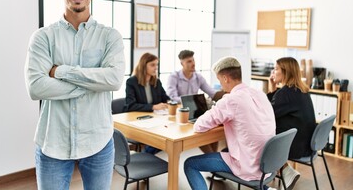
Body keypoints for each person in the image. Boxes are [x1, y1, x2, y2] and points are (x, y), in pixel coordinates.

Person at [24, 0, 125, 190]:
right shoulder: (43, 37)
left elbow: (114, 80)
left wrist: (60, 71)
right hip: (53, 142)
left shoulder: (110, 37)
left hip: (98, 140)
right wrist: (92, 84)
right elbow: (36, 87)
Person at [184, 56, 276, 190]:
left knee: (190, 164)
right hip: (266, 162)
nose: (220, 84)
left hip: (248, 166)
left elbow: (199, 125)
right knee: (226, 150)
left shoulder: (230, 100)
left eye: (219, 79)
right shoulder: (259, 94)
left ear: (226, 78)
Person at [268, 57, 316, 190]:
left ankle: (256, 175)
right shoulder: (301, 90)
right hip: (307, 143)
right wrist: (273, 90)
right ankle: (285, 170)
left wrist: (272, 91)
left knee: (262, 135)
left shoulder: (285, 94)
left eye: (276, 69)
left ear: (286, 72)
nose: (273, 72)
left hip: (296, 146)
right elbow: (275, 110)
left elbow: (267, 114)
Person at [124, 52, 170, 154]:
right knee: (160, 140)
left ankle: (145, 154)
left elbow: (165, 98)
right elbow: (130, 105)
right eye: (152, 65)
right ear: (143, 65)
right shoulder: (131, 82)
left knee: (165, 138)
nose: (156, 68)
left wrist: (170, 103)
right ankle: (145, 155)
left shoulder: (157, 82)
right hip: (137, 120)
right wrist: (154, 107)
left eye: (157, 65)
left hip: (154, 119)